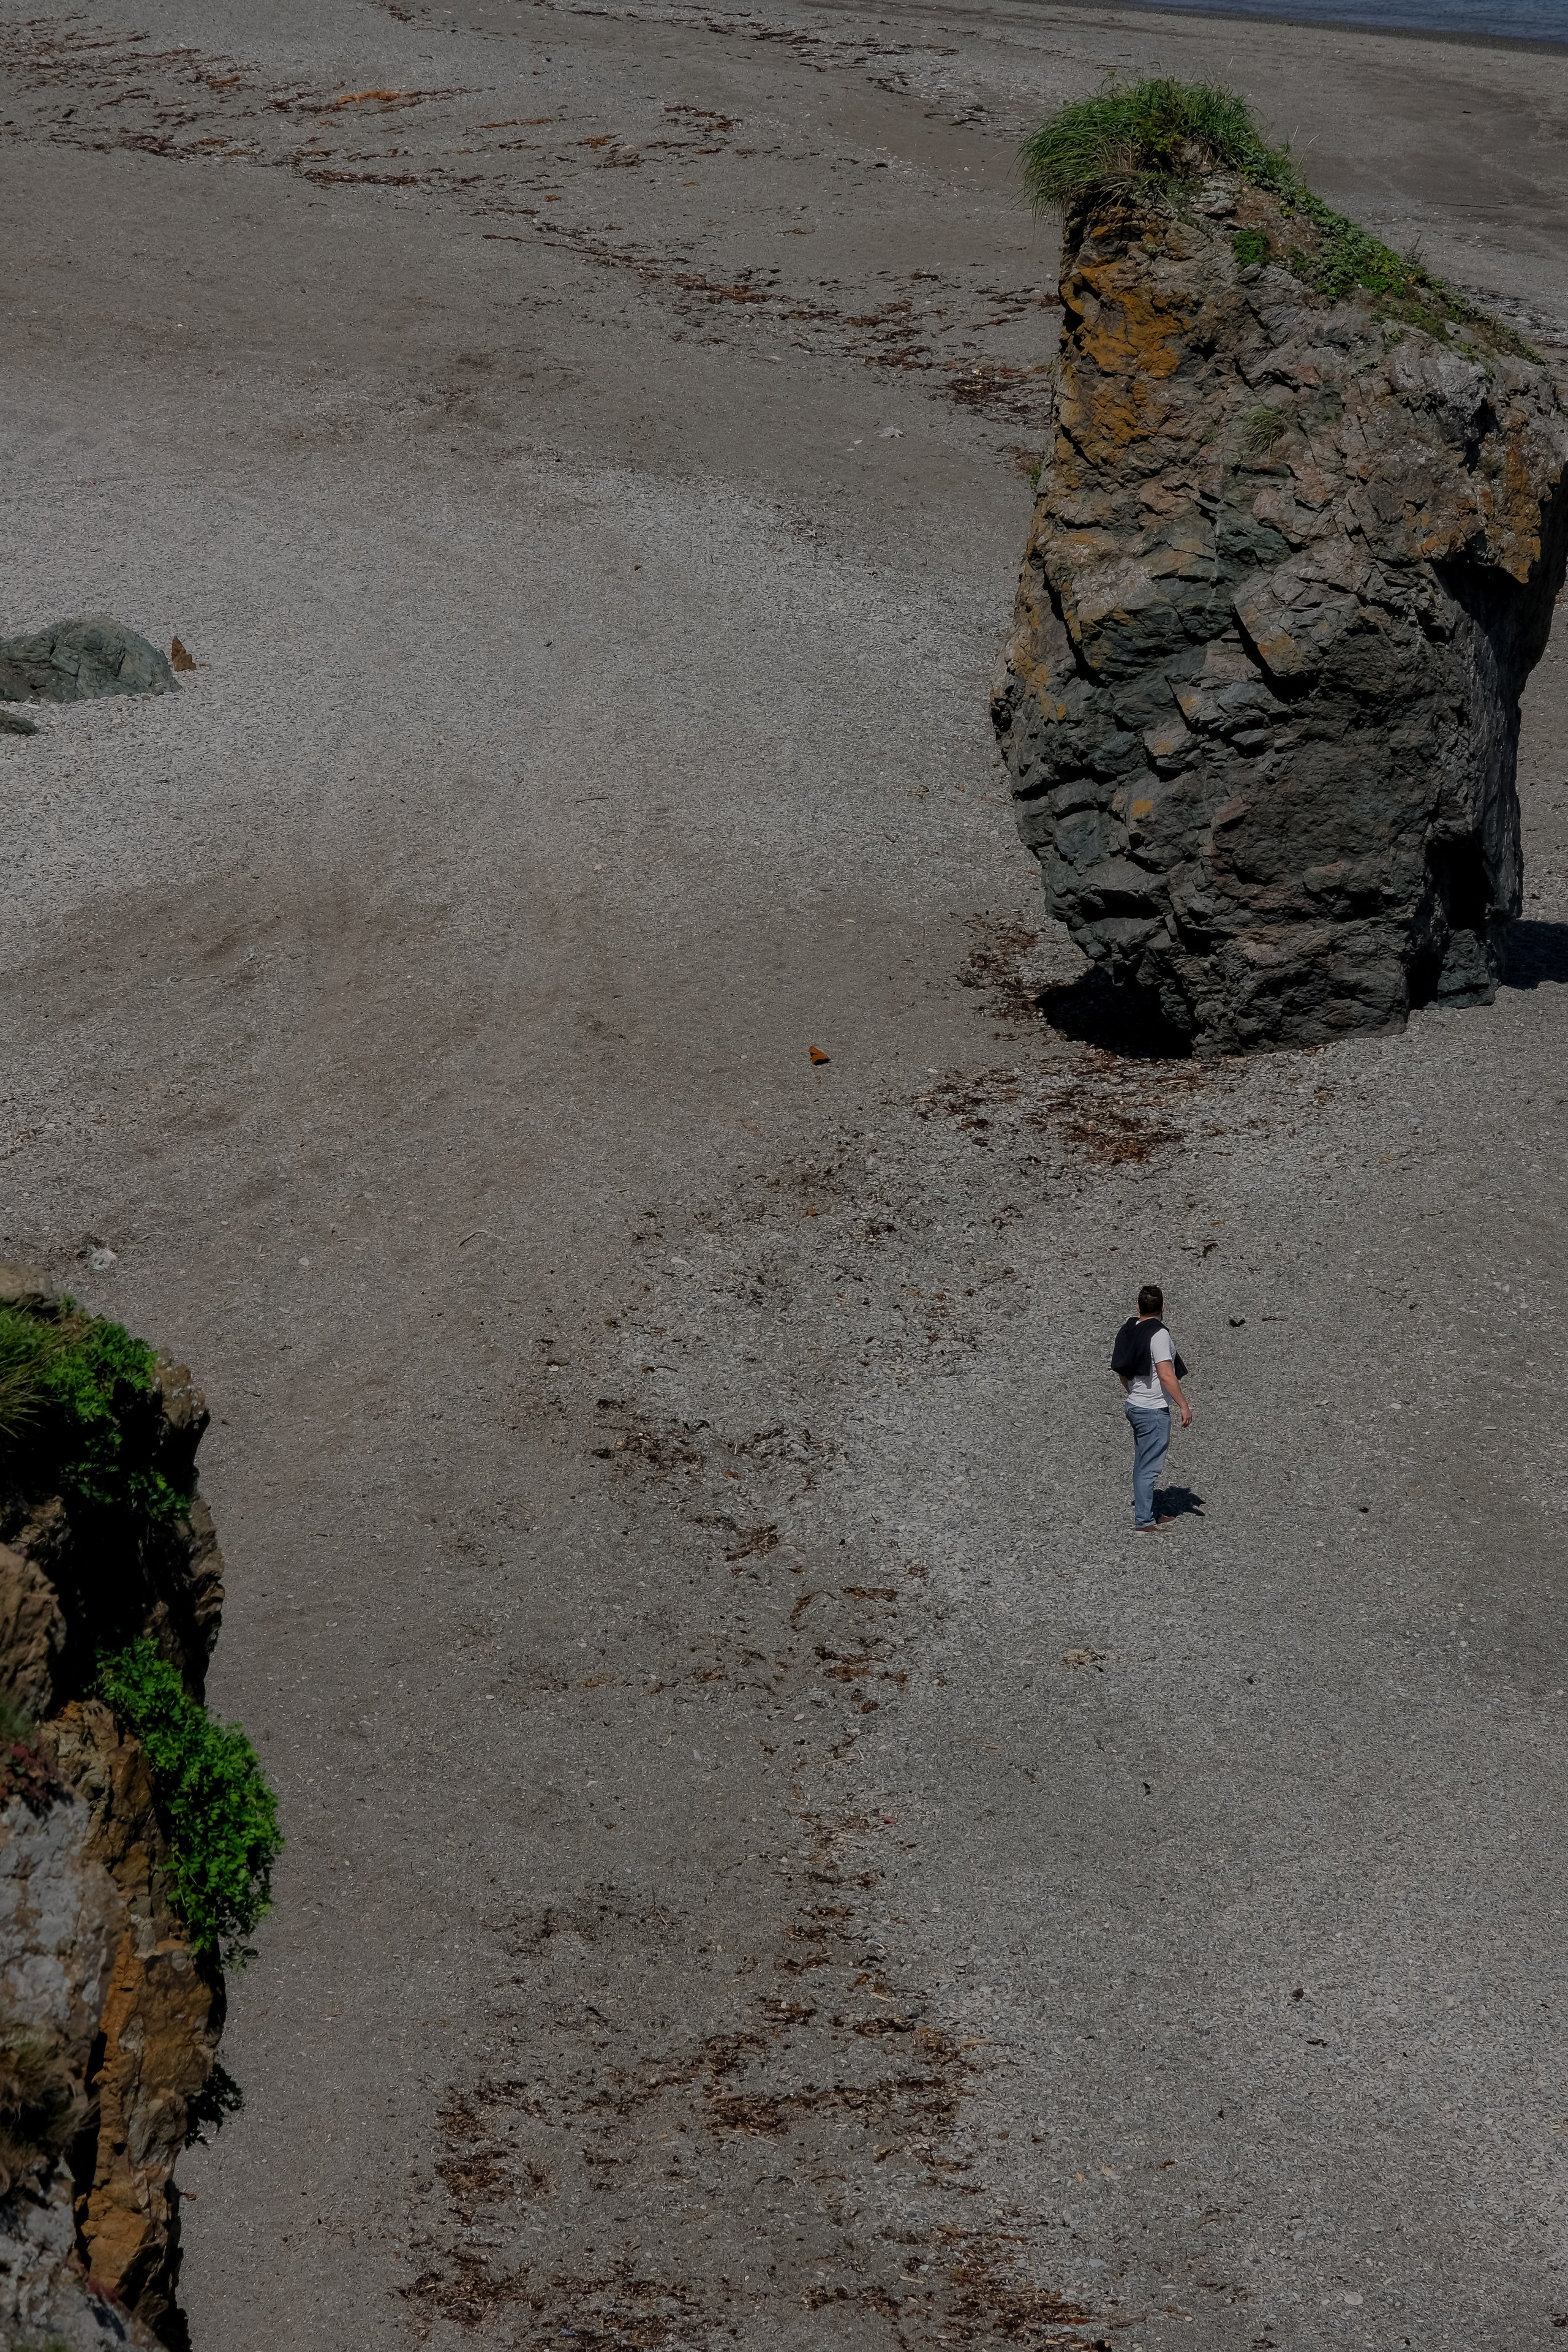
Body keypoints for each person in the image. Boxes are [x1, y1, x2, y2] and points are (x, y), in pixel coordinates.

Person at [1113, 1284, 1192, 1534]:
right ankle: (1144, 1521)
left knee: (1142, 1462)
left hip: (1135, 1405)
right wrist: (1184, 1405)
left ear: (1138, 1308)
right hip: (1152, 1410)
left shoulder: (1129, 1330)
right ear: (1163, 1308)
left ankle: (1146, 1511)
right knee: (1149, 1467)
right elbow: (1167, 1375)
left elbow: (1122, 1370)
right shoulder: (1159, 1335)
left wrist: (1132, 1393)